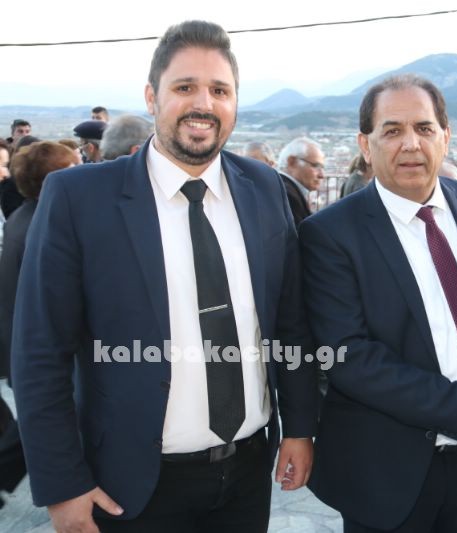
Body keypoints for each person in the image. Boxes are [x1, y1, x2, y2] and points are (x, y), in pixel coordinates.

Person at [12, 20, 317, 533]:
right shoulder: (79, 199)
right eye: (185, 87)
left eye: (219, 90)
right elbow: (39, 352)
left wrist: (300, 427)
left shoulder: (265, 188)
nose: (203, 103)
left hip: (247, 474)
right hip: (130, 486)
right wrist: (62, 484)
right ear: (152, 97)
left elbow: (290, 322)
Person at [300, 73, 457, 533]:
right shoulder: (330, 233)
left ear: (445, 137)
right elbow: (350, 358)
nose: (411, 144)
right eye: (392, 130)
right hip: (386, 474)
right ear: (365, 145)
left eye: (424, 128)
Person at [0, 141, 80, 510]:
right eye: (74, 167)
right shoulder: (43, 226)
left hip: (24, 344)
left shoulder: (27, 216)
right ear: (54, 180)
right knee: (41, 423)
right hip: (38, 350)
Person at [277, 137, 325, 227]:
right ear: (292, 162)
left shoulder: (280, 187)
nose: (321, 175)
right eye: (315, 166)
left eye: (322, 168)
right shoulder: (288, 196)